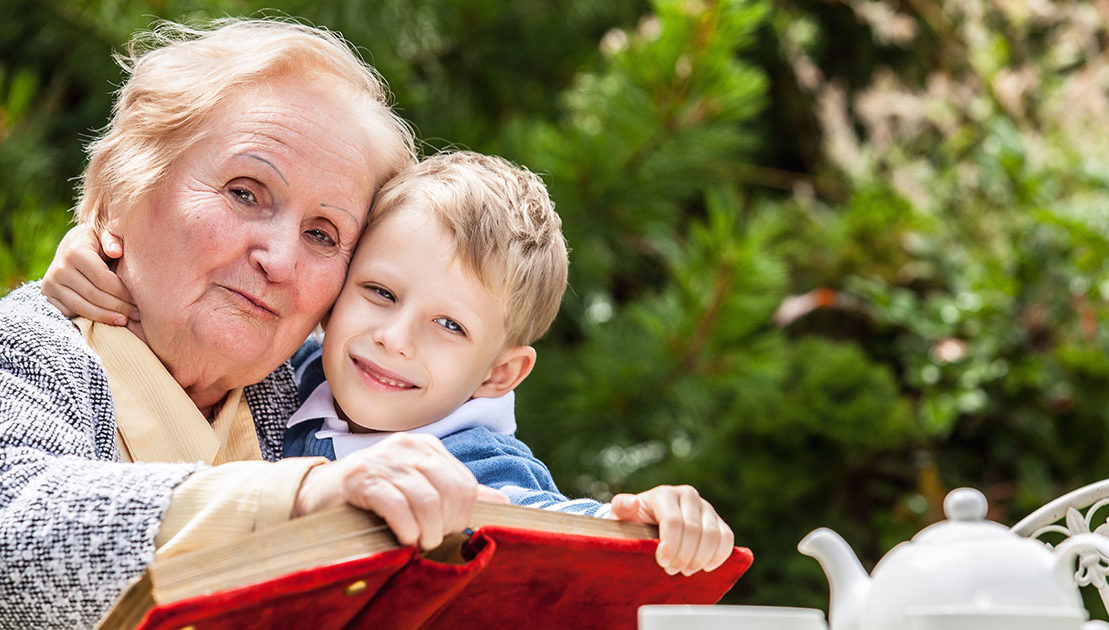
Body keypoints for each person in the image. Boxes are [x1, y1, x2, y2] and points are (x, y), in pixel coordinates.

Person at [49, 149, 736, 572]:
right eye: (378, 292)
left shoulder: (477, 460)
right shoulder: (296, 373)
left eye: (447, 324)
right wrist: (96, 257)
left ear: (500, 373)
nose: (395, 339)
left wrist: (640, 526)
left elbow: (536, 528)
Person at [0, 18, 474, 629]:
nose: (278, 260)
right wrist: (298, 499)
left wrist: (627, 527)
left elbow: (487, 473)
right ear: (120, 195)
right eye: (246, 193)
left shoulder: (318, 388)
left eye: (322, 235)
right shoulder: (31, 348)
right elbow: (13, 531)